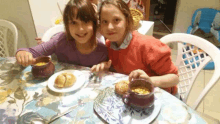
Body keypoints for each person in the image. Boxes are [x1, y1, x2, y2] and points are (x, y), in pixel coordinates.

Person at [92, 0, 179, 95]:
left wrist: (149, 80)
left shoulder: (148, 46)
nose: (110, 27)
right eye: (105, 21)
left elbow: (174, 78)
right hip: (134, 95)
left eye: (116, 20)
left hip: (162, 95)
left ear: (127, 21)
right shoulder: (109, 45)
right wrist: (105, 66)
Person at [16, 0, 108, 68]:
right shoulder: (59, 40)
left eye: (86, 21)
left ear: (94, 24)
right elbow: (30, 51)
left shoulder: (102, 51)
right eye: (73, 23)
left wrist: (104, 67)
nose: (80, 29)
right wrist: (22, 53)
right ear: (67, 25)